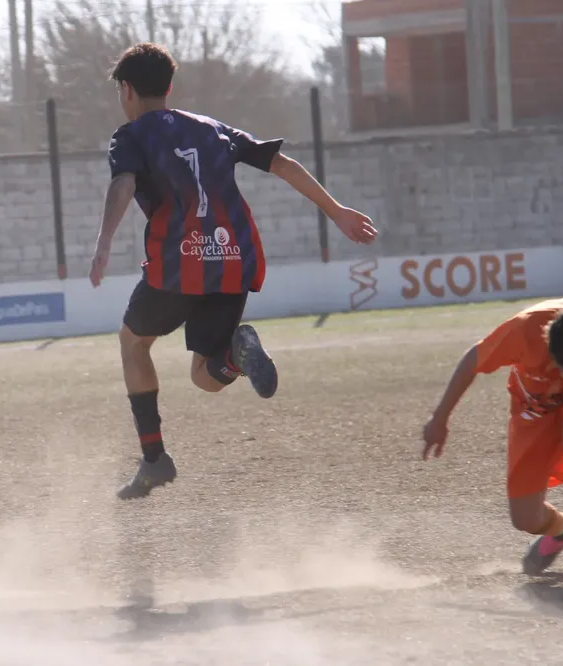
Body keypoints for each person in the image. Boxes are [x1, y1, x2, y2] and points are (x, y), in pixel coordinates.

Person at [89, 43, 378, 500]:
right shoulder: (211, 128)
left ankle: (154, 458)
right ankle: (235, 356)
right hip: (232, 258)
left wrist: (104, 242)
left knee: (133, 343)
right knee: (206, 374)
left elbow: (123, 183)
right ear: (168, 86)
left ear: (126, 90)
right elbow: (281, 163)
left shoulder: (130, 136)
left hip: (178, 263)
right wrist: (336, 210)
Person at [422, 298, 563, 575]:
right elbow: (472, 361)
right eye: (559, 363)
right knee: (526, 519)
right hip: (535, 410)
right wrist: (440, 417)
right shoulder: (525, 330)